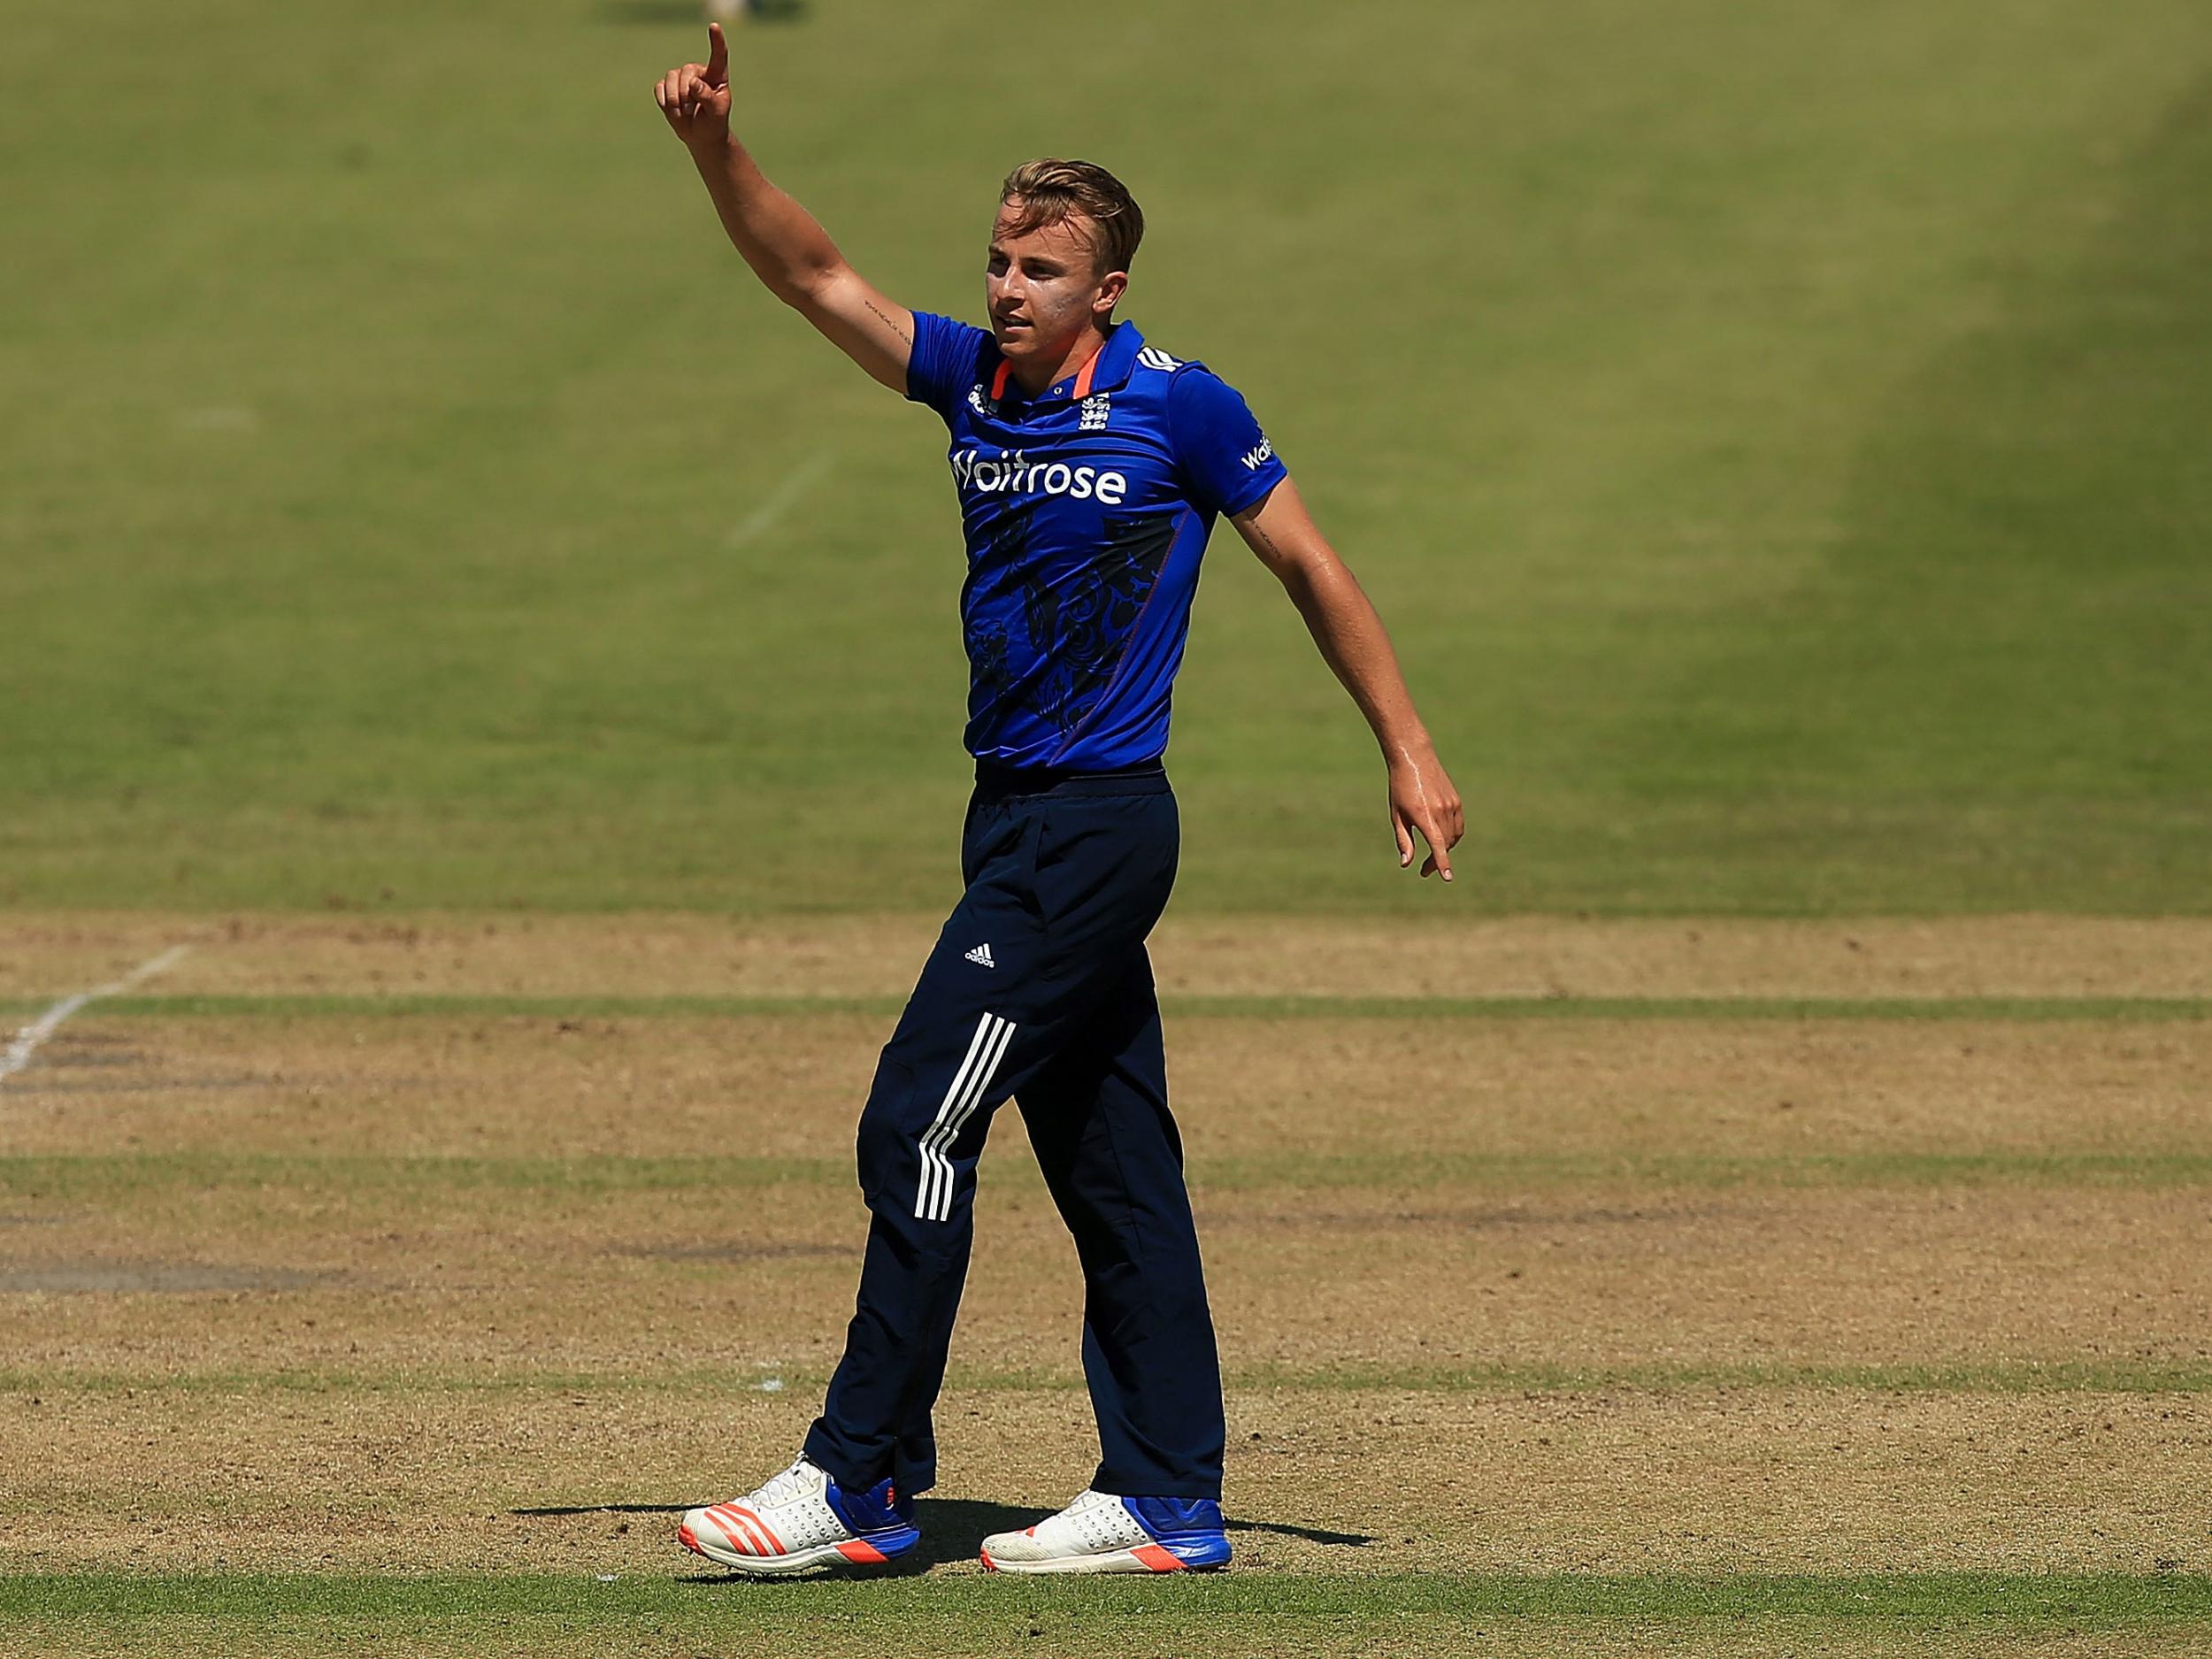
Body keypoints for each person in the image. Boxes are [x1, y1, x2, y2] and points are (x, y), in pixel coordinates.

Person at [653, 24, 1463, 1576]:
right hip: (1008, 814)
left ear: (1107, 290)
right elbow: (815, 278)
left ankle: (861, 1478)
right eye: (998, 261)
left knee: (918, 1119)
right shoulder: (972, 380)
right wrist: (714, 153)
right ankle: (1166, 1495)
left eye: (1038, 270)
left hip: (1098, 828)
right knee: (1114, 1165)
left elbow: (1310, 562)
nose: (1006, 290)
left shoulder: (1184, 406)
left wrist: (1406, 743)